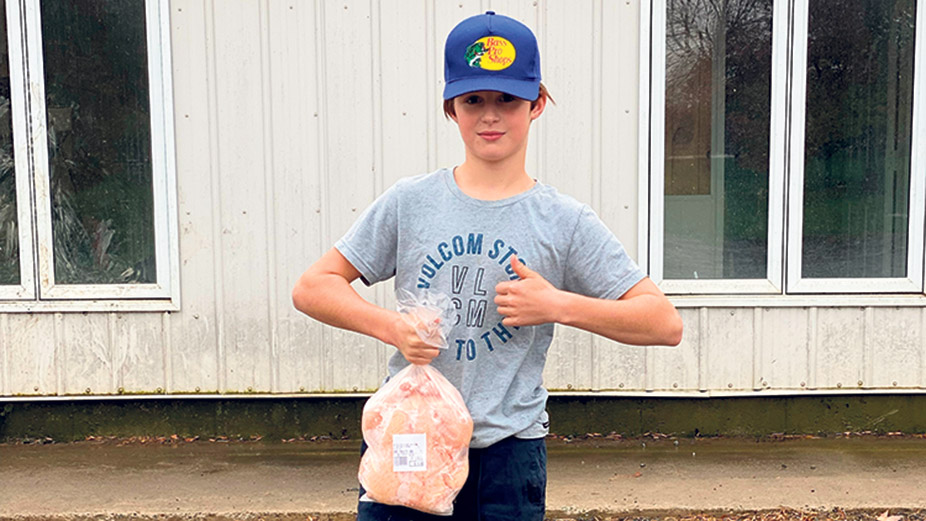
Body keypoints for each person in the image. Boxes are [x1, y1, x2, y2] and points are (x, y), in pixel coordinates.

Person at [292, 10, 683, 521]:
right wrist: (394, 328)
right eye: (474, 100)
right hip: (412, 441)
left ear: (536, 103)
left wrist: (557, 304)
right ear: (451, 107)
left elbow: (664, 323)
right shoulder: (410, 202)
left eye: (507, 99)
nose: (490, 116)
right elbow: (313, 286)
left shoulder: (564, 221)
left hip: (509, 458)